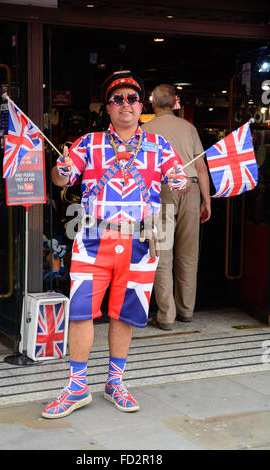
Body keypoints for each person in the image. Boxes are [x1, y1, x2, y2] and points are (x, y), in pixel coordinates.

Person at [42, 71, 188, 419]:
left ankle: (114, 382)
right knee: (80, 314)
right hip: (92, 237)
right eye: (117, 99)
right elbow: (61, 177)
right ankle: (76, 388)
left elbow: (179, 183)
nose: (126, 104)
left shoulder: (160, 146)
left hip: (140, 238)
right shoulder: (88, 143)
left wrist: (181, 180)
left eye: (132, 99)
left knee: (125, 315)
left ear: (142, 107)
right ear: (107, 107)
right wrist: (61, 169)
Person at [142, 84, 211, 330]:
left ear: (153, 104)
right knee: (188, 254)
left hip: (161, 191)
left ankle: (166, 316)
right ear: (174, 103)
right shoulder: (189, 128)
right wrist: (206, 200)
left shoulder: (145, 130)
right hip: (191, 189)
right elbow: (201, 167)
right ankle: (186, 311)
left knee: (162, 252)